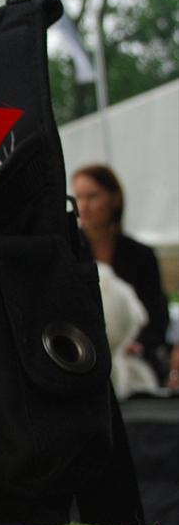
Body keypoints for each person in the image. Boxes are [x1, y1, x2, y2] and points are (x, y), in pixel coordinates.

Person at [72, 164, 172, 387]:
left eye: (92, 196)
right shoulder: (70, 253)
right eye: (79, 197)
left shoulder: (141, 255)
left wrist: (137, 343)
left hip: (136, 355)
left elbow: (156, 313)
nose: (84, 205)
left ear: (114, 199)